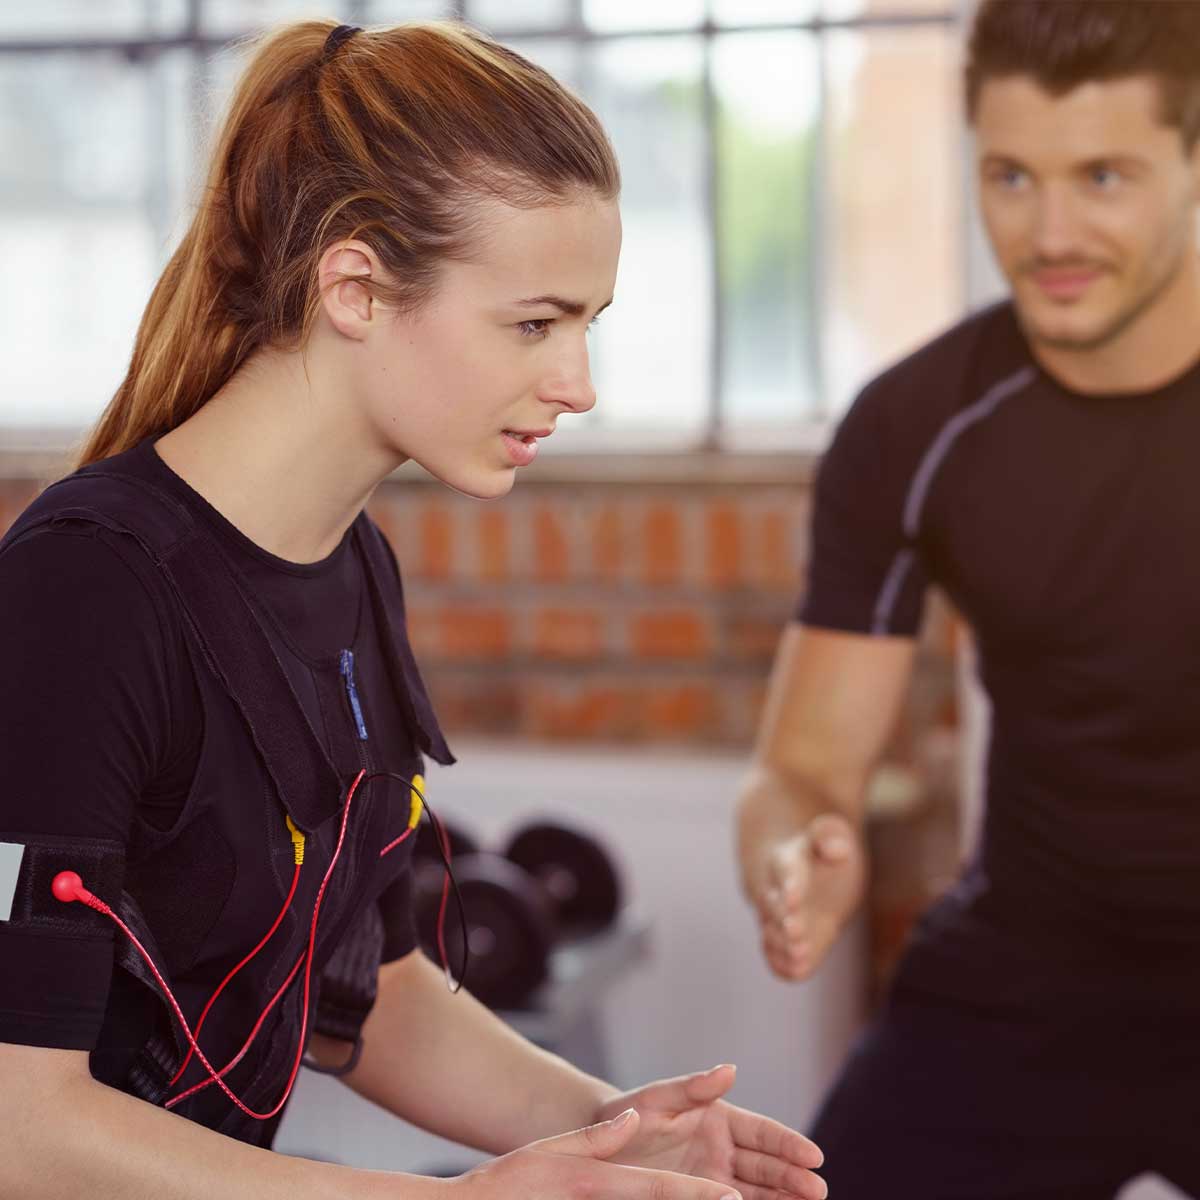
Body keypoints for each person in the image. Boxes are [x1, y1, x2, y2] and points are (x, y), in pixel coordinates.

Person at [0, 20, 827, 1200]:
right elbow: (17, 1128)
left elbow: (364, 994)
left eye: (590, 323)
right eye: (535, 323)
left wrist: (611, 1125)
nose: (579, 385)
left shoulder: (350, 569)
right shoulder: (83, 595)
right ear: (356, 285)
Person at [736, 1, 1200, 1196]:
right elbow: (803, 772)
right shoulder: (917, 428)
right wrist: (799, 853)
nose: (1050, 232)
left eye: (1104, 175)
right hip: (1032, 983)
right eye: (1009, 175)